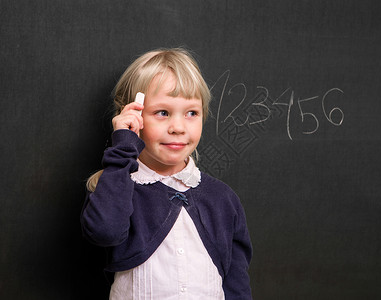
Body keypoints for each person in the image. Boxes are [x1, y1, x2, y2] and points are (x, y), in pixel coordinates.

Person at [80, 48, 252, 299]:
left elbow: (237, 284)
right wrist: (123, 147)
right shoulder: (116, 187)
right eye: (162, 113)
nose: (179, 128)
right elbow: (105, 231)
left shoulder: (223, 199)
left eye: (192, 113)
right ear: (134, 115)